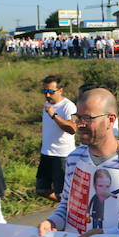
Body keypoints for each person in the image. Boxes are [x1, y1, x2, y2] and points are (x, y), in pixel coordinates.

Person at [39, 88, 119, 237]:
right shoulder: (74, 159)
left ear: (110, 120)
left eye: (87, 118)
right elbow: (66, 206)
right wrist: (52, 222)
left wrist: (108, 235)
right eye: (77, 117)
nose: (79, 124)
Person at [36, 75, 77, 203]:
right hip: (46, 153)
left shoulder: (68, 106)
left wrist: (54, 115)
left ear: (60, 90)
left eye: (51, 91)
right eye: (45, 91)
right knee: (41, 189)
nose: (47, 95)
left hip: (62, 156)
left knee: (62, 193)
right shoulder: (47, 104)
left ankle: (67, 214)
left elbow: (72, 129)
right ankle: (65, 208)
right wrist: (42, 145)